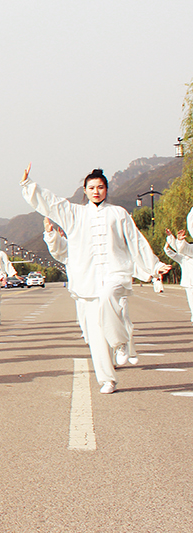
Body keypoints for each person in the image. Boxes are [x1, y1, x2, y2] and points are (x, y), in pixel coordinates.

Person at [21, 165, 169, 394]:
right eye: (92, 187)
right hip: (87, 279)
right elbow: (51, 203)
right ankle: (107, 379)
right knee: (97, 332)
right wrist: (29, 185)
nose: (96, 191)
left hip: (116, 271)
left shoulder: (118, 213)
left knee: (110, 294)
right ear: (85, 190)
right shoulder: (74, 214)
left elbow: (136, 241)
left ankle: (120, 343)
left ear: (107, 189)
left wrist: (155, 265)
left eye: (100, 187)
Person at [165, 227, 193, 323]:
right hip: (190, 285)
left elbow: (182, 248)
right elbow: (177, 251)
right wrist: (171, 239)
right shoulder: (183, 258)